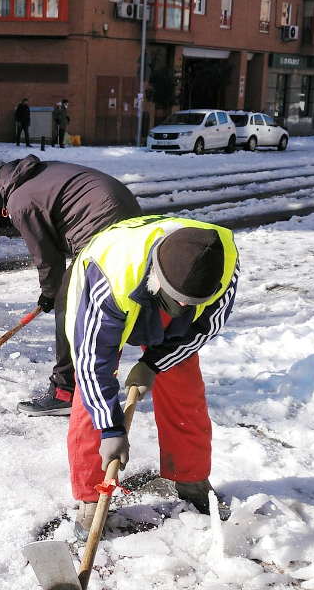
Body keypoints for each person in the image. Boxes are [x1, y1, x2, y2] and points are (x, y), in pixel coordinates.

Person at [64, 215, 239, 538]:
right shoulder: (112, 274)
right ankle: (92, 497)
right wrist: (110, 427)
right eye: (178, 299)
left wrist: (155, 363)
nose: (184, 305)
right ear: (158, 275)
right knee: (92, 394)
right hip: (112, 290)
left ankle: (191, 476)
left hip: (163, 284)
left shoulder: (222, 265)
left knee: (183, 377)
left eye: (192, 302)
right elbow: (93, 363)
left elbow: (205, 327)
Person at [0, 155, 142, 415]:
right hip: (126, 215)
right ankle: (157, 366)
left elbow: (47, 257)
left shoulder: (19, 200)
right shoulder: (31, 178)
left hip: (103, 225)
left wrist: (50, 294)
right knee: (120, 299)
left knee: (69, 304)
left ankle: (65, 391)